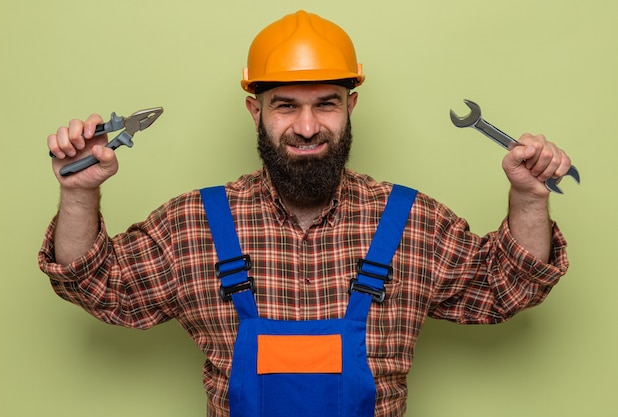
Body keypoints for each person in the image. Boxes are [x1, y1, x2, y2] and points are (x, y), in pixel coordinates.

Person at [39, 10, 571, 417]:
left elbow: (507, 285)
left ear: (351, 106)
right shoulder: (194, 224)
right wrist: (79, 193)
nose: (308, 126)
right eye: (287, 104)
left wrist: (529, 197)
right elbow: (98, 285)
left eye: (327, 103)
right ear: (256, 110)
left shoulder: (411, 221)